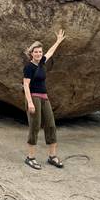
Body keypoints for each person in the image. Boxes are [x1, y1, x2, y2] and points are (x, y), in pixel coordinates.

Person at [23, 29, 66, 170]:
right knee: (35, 126)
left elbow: (50, 53)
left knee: (51, 125)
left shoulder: (41, 63)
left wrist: (58, 41)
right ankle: (30, 158)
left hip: (44, 97)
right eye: (36, 52)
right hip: (34, 97)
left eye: (40, 52)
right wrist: (30, 102)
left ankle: (52, 156)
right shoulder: (29, 67)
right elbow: (26, 85)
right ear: (31, 54)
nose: (39, 54)